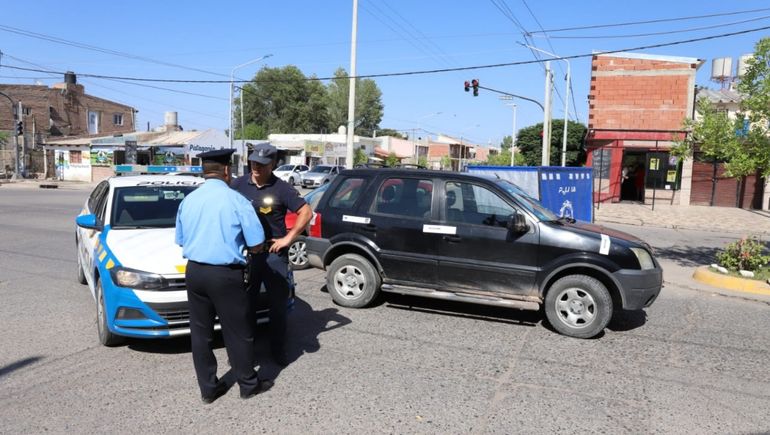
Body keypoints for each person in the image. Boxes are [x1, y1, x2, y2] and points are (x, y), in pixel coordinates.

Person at [175, 148, 272, 404]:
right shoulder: (236, 201)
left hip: (194, 271)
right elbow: (256, 242)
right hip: (225, 274)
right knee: (237, 332)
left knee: (200, 333)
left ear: (204, 171)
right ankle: (248, 384)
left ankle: (208, 389)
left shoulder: (188, 201)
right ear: (227, 171)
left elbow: (180, 239)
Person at [231, 143, 313, 367]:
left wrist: (289, 238)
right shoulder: (237, 184)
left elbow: (306, 212)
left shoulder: (282, 188)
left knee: (277, 307)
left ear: (273, 164)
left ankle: (277, 350)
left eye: (262, 164)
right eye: (254, 162)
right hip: (246, 256)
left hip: (273, 255)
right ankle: (247, 352)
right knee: (245, 306)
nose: (256, 166)